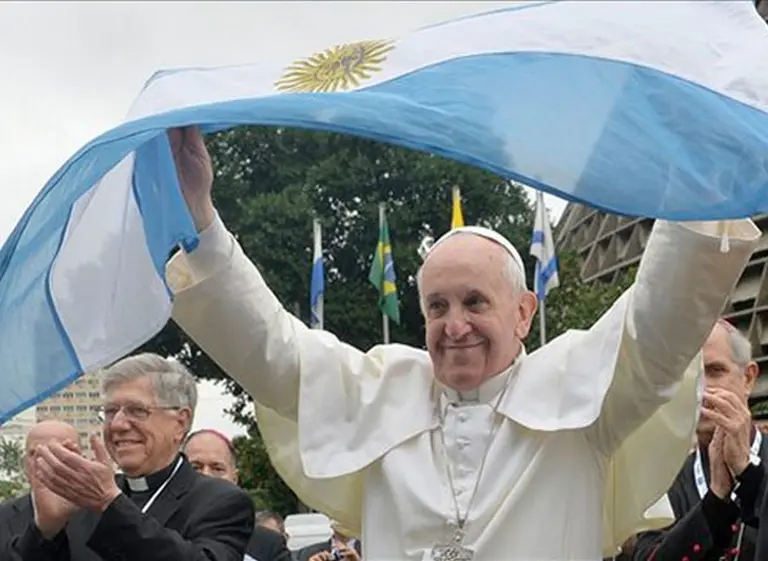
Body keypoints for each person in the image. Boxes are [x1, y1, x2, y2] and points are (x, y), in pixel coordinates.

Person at [165, 125, 761, 560]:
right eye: (437, 306)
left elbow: (658, 319)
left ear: (525, 312)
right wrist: (201, 218)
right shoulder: (379, 392)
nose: (455, 326)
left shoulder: (583, 393)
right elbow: (272, 349)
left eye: (476, 302)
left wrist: (697, 176)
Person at [3, 352, 255, 561]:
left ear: (180, 422)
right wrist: (46, 529)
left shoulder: (221, 502)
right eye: (111, 411)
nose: (118, 425)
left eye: (136, 410)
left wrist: (111, 505)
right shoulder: (85, 501)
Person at [633, 320, 767, 561]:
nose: (701, 390)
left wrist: (748, 475)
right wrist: (715, 500)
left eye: (715, 371)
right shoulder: (665, 482)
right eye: (688, 377)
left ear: (748, 378)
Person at [183, 429, 292, 561]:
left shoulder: (268, 545)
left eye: (217, 469)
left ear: (235, 478)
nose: (206, 475)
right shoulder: (159, 533)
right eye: (195, 467)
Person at [0, 420, 79, 549]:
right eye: (36, 454)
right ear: (25, 465)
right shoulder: (3, 518)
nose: (47, 460)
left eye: (60, 452)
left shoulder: (102, 515)